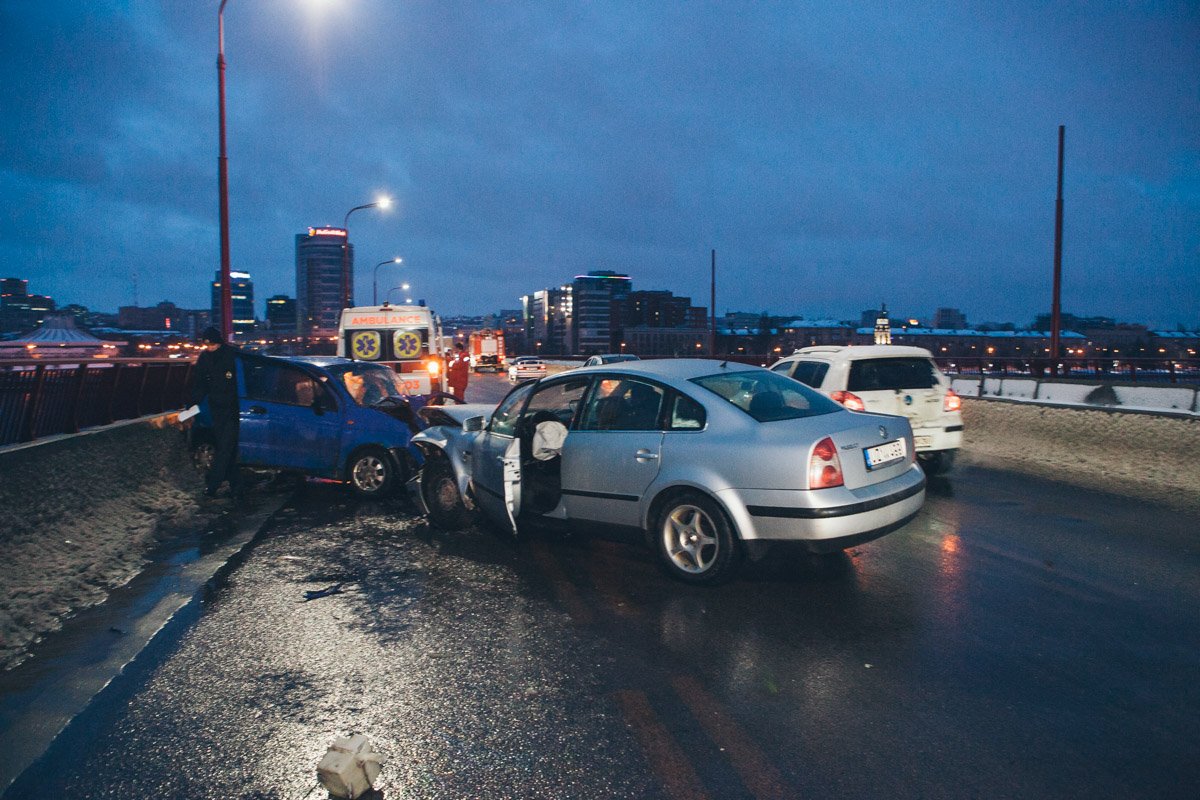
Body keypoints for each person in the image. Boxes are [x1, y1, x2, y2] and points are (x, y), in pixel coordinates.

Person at [190, 326, 242, 499]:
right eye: (207, 345)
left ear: (219, 342)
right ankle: (236, 485)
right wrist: (190, 407)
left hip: (233, 408)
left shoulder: (231, 355)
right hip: (218, 409)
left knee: (225, 447)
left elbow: (200, 385)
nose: (210, 348)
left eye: (212, 344)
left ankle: (213, 485)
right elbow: (199, 385)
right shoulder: (206, 357)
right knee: (228, 448)